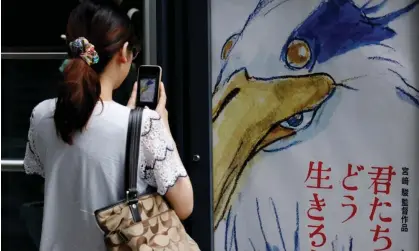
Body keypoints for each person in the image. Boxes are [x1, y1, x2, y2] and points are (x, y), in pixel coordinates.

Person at [23, 1, 194, 250]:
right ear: (124, 52)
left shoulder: (41, 115)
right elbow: (185, 205)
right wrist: (160, 126)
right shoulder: (143, 124)